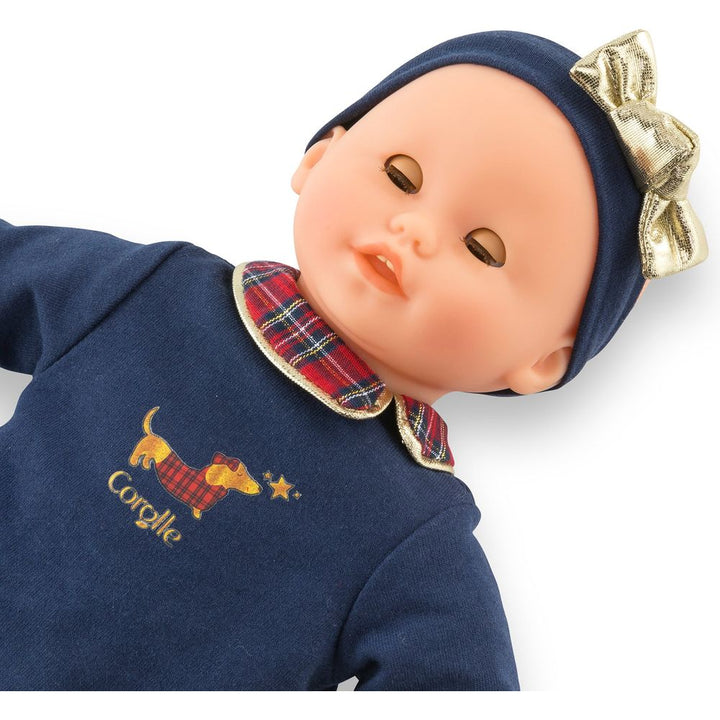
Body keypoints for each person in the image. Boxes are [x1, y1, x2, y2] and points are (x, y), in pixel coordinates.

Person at [0, 29, 705, 690]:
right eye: (401, 175)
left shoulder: (412, 531)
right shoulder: (149, 290)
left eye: (482, 248)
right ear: (320, 156)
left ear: (544, 362)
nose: (415, 229)